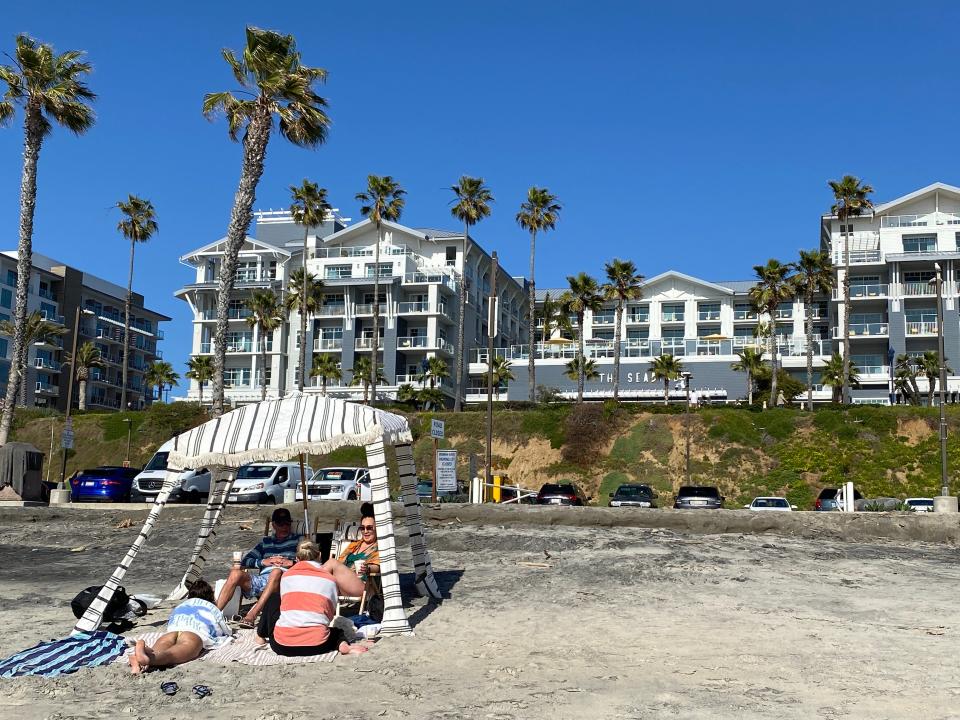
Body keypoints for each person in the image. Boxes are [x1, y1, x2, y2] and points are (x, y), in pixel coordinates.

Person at [256, 539, 369, 656]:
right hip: (318, 645)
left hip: (282, 646)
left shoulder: (286, 576)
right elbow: (329, 614)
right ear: (319, 556)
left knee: (274, 598)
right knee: (336, 632)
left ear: (297, 559)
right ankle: (342, 644)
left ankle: (260, 636)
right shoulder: (329, 579)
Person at [216, 507, 301, 625]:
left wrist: (291, 563)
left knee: (276, 572)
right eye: (281, 524)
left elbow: (312, 562)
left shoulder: (299, 541)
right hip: (263, 580)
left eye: (287, 523)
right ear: (274, 525)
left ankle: (252, 614)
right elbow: (246, 561)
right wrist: (262, 562)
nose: (285, 527)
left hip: (285, 581)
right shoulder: (265, 543)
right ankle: (214, 614)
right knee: (235, 573)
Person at [129, 579, 230, 674]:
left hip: (173, 631)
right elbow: (223, 629)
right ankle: (147, 659)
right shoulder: (211, 607)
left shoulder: (182, 605)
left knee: (158, 653)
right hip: (194, 633)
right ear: (210, 596)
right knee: (170, 655)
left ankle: (139, 658)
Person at [338, 510, 380, 580]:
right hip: (343, 578)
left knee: (331, 563)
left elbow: (377, 567)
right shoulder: (354, 545)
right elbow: (339, 562)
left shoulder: (379, 547)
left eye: (369, 528)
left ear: (377, 529)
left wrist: (367, 568)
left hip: (360, 583)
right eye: (362, 528)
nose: (365, 531)